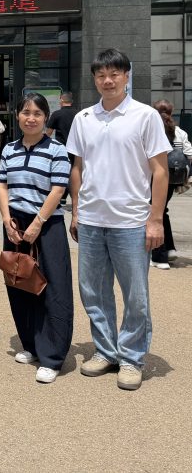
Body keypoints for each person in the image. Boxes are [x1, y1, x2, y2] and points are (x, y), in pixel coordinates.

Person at [67, 48, 171, 391]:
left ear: (127, 76)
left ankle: (131, 357)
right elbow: (78, 168)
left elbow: (160, 171)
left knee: (135, 295)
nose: (108, 81)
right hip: (92, 220)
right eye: (101, 75)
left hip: (131, 221)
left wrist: (155, 219)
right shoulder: (84, 118)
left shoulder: (145, 116)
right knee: (93, 291)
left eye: (114, 74)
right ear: (94, 79)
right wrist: (77, 211)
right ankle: (106, 350)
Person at [0, 92, 73, 384]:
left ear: (45, 118)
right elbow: (2, 185)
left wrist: (38, 222)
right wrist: (6, 219)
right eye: (26, 112)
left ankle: (52, 356)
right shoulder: (9, 149)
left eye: (37, 113)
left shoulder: (57, 149)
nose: (31, 118)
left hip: (47, 224)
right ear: (17, 115)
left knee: (54, 288)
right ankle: (31, 344)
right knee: (20, 283)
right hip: (16, 224)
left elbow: (58, 189)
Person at [149, 99, 192, 270]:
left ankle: (159, 257)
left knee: (154, 212)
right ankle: (170, 248)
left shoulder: (153, 130)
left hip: (154, 177)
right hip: (173, 179)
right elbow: (189, 154)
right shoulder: (180, 132)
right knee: (162, 210)